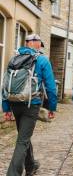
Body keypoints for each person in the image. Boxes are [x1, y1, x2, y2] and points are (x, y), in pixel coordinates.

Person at [2, 34, 57, 176]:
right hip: (31, 105)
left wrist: (6, 108)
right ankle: (13, 173)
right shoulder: (42, 60)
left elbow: (5, 84)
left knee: (23, 136)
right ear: (37, 44)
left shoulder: (14, 59)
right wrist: (52, 107)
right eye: (40, 44)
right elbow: (50, 86)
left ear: (27, 44)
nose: (40, 46)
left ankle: (31, 165)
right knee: (22, 140)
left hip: (14, 102)